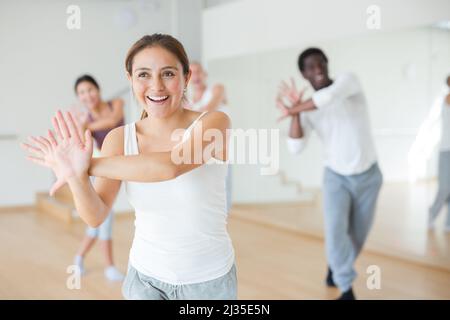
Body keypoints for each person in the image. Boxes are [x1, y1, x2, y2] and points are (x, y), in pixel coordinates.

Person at [22, 33, 236, 300]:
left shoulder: (214, 122)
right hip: (144, 280)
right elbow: (96, 215)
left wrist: (87, 165)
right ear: (131, 80)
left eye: (168, 74)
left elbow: (170, 166)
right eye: (143, 75)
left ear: (186, 78)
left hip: (208, 282)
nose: (156, 86)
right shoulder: (120, 139)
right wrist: (76, 176)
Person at [276, 47, 383, 300]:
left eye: (321, 63)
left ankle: (335, 267)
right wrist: (296, 112)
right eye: (311, 67)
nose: (318, 70)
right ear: (304, 74)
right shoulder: (306, 108)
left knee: (357, 235)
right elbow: (295, 147)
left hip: (369, 176)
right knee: (336, 232)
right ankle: (346, 287)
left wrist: (295, 108)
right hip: (336, 178)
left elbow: (327, 98)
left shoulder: (348, 81)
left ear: (327, 63)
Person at [71, 74, 125, 281]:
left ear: (98, 89)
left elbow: (112, 121)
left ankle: (78, 258)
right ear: (79, 97)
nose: (87, 95)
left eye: (90, 89)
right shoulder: (86, 120)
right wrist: (82, 127)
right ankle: (109, 267)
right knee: (104, 220)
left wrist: (86, 127)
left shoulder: (116, 104)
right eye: (82, 93)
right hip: (104, 171)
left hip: (123, 166)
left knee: (95, 224)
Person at [188, 62, 232, 213]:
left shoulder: (217, 89)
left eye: (198, 72)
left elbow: (207, 112)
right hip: (201, 151)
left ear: (205, 74)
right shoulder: (189, 101)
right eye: (191, 73)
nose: (196, 76)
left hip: (221, 150)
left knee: (222, 190)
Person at [429, 75, 450, 232]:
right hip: (445, 150)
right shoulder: (444, 101)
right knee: (444, 187)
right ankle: (432, 213)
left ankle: (448, 222)